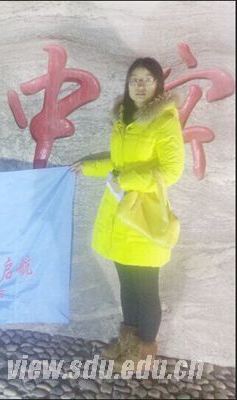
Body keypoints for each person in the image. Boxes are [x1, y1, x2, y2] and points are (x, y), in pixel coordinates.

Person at [71, 57, 184, 372]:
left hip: (144, 216)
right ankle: (127, 344)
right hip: (121, 213)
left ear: (158, 84)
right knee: (127, 283)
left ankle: (143, 353)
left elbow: (172, 170)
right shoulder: (124, 117)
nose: (140, 85)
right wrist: (89, 167)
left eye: (147, 79)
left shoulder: (164, 120)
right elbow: (118, 163)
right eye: (135, 79)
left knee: (145, 286)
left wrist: (129, 180)